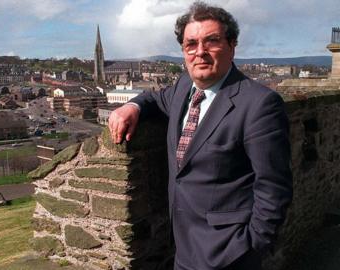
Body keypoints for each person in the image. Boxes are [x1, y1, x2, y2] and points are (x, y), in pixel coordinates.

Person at [108, 2, 292, 270]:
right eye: (191, 44)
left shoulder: (259, 103)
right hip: (183, 248)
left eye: (212, 41)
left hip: (230, 253)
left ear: (232, 45)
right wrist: (131, 106)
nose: (200, 52)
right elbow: (155, 98)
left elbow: (274, 188)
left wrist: (251, 249)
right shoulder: (184, 86)